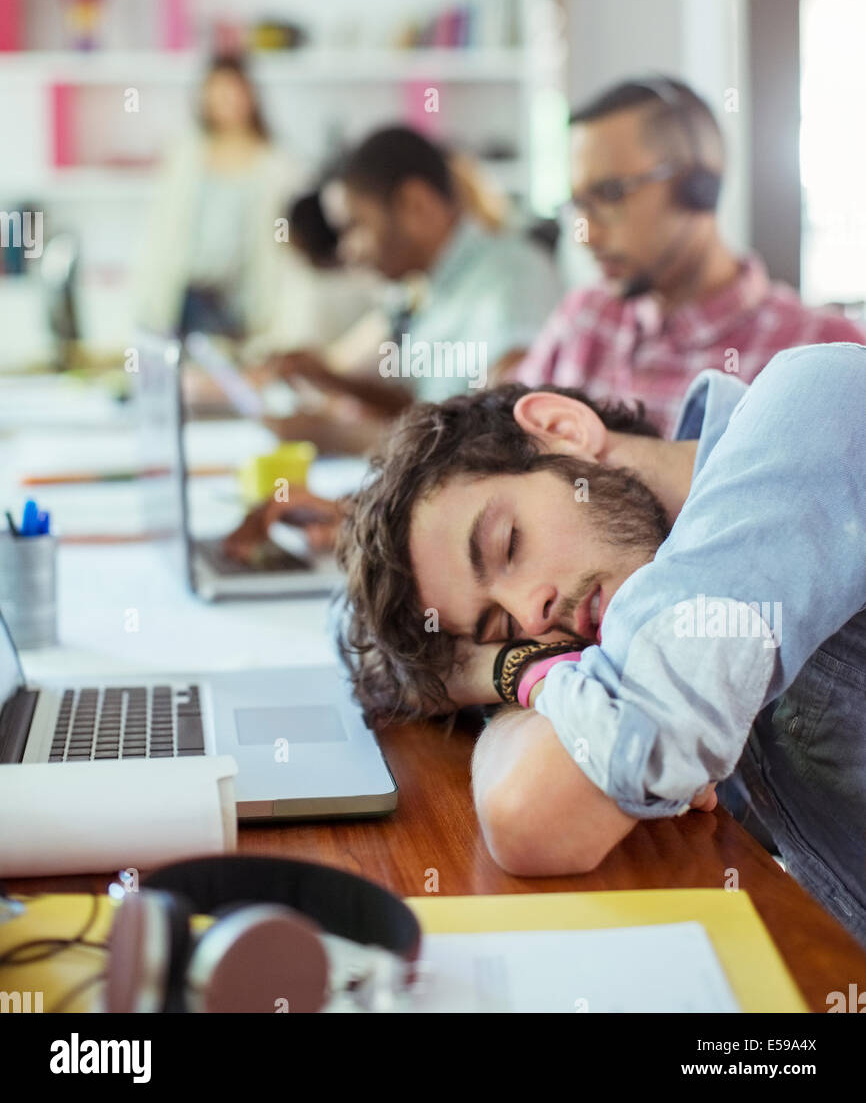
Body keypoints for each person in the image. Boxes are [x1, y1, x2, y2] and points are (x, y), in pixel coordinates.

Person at [335, 342, 866, 946]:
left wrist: (509, 673)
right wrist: (522, 672)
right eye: (501, 633)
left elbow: (532, 815)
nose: (531, 618)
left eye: (508, 544)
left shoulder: (817, 410)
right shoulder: (647, 595)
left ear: (563, 429)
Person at [518, 76, 865, 434]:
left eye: (610, 194)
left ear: (697, 186)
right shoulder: (583, 317)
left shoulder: (822, 347)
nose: (586, 235)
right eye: (579, 204)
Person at [256, 124, 561, 442]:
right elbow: (431, 411)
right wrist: (332, 380)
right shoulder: (435, 286)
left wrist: (337, 435)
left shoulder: (512, 277)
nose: (349, 250)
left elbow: (499, 436)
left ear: (415, 204)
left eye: (355, 226)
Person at [134, 52, 300, 354]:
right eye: (218, 93)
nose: (227, 102)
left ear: (250, 96)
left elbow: (283, 248)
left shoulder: (277, 166)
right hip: (185, 295)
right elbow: (161, 230)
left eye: (234, 92)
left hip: (241, 303)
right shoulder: (185, 155)